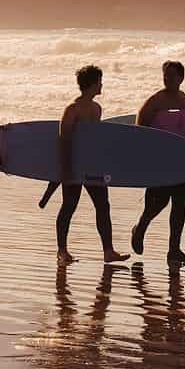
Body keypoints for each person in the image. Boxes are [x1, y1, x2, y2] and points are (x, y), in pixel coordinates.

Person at [49, 65, 131, 266]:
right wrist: (66, 168)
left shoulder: (96, 108)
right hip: (74, 165)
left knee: (103, 206)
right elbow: (64, 139)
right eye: (100, 81)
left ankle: (108, 251)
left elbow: (94, 140)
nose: (102, 85)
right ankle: (62, 250)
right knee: (69, 206)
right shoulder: (72, 109)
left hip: (92, 164)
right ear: (92, 84)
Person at [131, 60, 185, 266]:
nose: (167, 79)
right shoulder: (155, 102)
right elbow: (139, 128)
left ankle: (174, 250)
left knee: (179, 206)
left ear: (181, 78)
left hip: (181, 160)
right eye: (165, 75)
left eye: (171, 76)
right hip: (160, 159)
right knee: (157, 202)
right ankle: (141, 227)